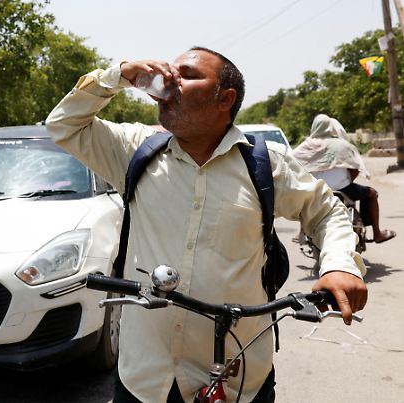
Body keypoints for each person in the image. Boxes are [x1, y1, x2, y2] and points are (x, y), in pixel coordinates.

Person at [46, 47, 367, 402]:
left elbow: (325, 211)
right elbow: (63, 124)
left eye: (187, 74)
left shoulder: (265, 165)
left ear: (224, 99)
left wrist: (340, 266)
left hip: (240, 375)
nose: (169, 80)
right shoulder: (133, 149)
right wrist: (120, 75)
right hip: (145, 377)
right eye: (170, 71)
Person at [293, 114, 396, 244]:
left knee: (305, 200)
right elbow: (355, 168)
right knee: (372, 193)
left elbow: (294, 167)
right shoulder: (342, 145)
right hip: (343, 191)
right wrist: (345, 181)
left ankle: (301, 231)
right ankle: (377, 233)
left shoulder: (305, 146)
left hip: (315, 192)